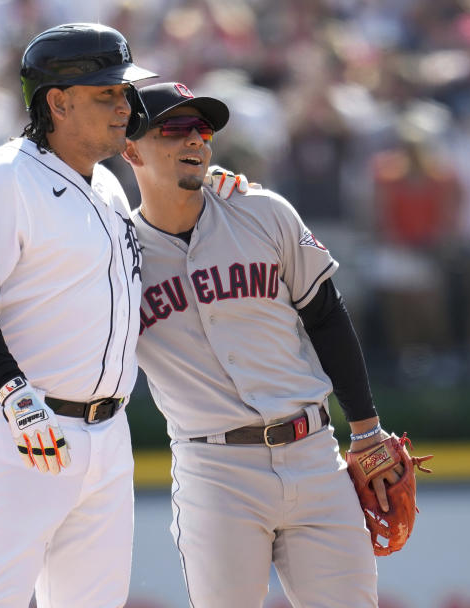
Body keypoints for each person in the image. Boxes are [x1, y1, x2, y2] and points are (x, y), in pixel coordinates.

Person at [123, 81, 402, 608]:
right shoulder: (116, 250)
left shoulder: (262, 211)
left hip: (315, 454)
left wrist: (366, 428)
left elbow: (326, 316)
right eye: (175, 129)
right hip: (215, 472)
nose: (196, 140)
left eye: (203, 129)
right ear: (131, 148)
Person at [0, 22, 157, 608]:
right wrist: (13, 393)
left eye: (125, 92)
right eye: (107, 94)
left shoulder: (107, 185)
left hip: (106, 433)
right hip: (14, 431)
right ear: (57, 102)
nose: (125, 106)